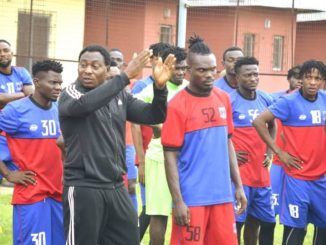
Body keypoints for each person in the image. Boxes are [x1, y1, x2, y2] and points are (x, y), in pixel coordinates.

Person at [59, 44, 176, 245]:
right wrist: (125, 76)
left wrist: (159, 88)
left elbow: (154, 114)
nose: (87, 70)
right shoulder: (71, 93)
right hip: (83, 187)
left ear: (106, 70)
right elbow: (84, 105)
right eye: (83, 65)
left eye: (95, 66)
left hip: (115, 186)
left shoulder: (119, 95)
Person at [161, 35, 247, 245]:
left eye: (212, 70)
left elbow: (227, 143)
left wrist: (238, 186)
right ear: (188, 71)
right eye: (202, 70)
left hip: (222, 197)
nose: (209, 75)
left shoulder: (223, 98)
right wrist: (178, 201)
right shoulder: (176, 106)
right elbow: (170, 156)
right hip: (193, 199)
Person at [253, 59, 326, 245]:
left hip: (322, 177)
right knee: (295, 227)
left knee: (323, 227)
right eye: (308, 77)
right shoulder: (289, 101)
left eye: (317, 78)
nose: (312, 82)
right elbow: (259, 122)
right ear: (301, 79)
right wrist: (278, 151)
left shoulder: (324, 99)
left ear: (323, 81)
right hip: (297, 176)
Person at [0, 60, 64, 245]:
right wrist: (8, 173)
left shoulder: (60, 110)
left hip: (59, 194)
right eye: (53, 83)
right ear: (36, 82)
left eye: (60, 83)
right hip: (32, 194)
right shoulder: (16, 110)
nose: (58, 87)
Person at [135, 45, 188, 245]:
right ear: (166, 67)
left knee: (185, 210)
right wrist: (156, 124)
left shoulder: (190, 88)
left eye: (184, 68)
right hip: (159, 157)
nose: (181, 72)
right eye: (177, 68)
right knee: (158, 213)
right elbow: (132, 113)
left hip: (186, 159)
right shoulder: (151, 90)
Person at [230, 57, 276, 245]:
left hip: (261, 174)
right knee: (237, 223)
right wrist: (231, 150)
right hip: (239, 175)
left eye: (255, 74)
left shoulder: (266, 98)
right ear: (237, 77)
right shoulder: (229, 100)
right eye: (248, 75)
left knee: (265, 223)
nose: (253, 78)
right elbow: (221, 132)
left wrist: (271, 151)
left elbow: (272, 125)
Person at [131, 41, 171, 242]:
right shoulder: (143, 86)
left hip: (166, 157)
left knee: (154, 209)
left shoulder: (173, 84)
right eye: (160, 58)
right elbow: (135, 125)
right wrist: (141, 161)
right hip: (150, 157)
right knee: (150, 208)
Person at [269, 65, 302, 217]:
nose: (299, 81)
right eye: (296, 76)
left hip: (299, 162)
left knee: (295, 209)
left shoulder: (314, 101)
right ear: (288, 78)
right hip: (277, 160)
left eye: (303, 77)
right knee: (270, 209)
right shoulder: (276, 99)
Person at [0, 39, 34, 185]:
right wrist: (21, 94)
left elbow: (31, 94)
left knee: (25, 179)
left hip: (19, 131)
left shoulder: (21, 72)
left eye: (5, 50)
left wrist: (7, 98)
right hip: (2, 129)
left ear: (12, 53)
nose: (2, 54)